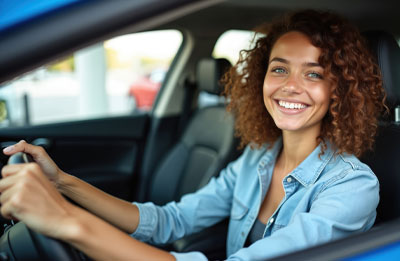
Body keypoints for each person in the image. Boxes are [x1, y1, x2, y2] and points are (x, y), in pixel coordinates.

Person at [0, 10, 386, 261]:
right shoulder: (257, 158)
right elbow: (170, 221)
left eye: (314, 74)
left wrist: (65, 220)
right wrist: (63, 184)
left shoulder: (352, 186)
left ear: (340, 91)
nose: (290, 86)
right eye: (279, 69)